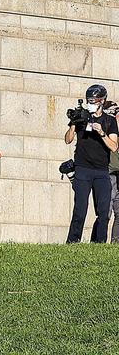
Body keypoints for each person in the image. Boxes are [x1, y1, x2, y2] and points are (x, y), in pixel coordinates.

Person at [65, 84, 119, 244]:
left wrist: (101, 133)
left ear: (102, 101)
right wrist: (74, 123)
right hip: (82, 168)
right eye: (90, 100)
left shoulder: (109, 121)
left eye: (94, 100)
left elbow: (114, 146)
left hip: (102, 170)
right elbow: (67, 139)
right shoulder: (82, 117)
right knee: (80, 209)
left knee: (103, 212)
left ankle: (100, 244)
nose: (92, 103)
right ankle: (73, 242)